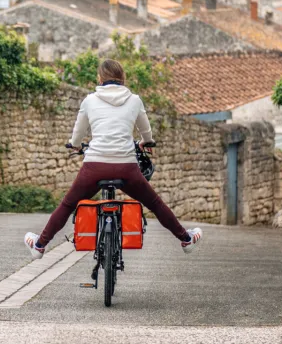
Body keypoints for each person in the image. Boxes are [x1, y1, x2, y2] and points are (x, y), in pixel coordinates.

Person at [24, 59, 203, 258]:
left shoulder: (89, 101)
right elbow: (146, 132)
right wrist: (146, 142)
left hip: (94, 167)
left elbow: (77, 134)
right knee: (154, 203)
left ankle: (39, 245)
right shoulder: (134, 100)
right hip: (127, 168)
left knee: (68, 205)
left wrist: (75, 145)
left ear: (99, 78)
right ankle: (186, 239)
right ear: (122, 78)